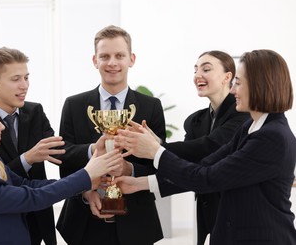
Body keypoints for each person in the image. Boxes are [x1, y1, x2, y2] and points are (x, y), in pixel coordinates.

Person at [114, 49, 296, 244]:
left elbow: (207, 178)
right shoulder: (250, 127)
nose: (233, 90)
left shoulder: (271, 137)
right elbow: (204, 166)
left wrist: (156, 150)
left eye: (239, 83)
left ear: (260, 85)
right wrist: (140, 183)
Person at [0, 94, 122, 245]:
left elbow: (27, 185)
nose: (2, 126)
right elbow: (31, 198)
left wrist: (84, 187)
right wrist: (86, 174)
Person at [56, 25, 166, 245]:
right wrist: (87, 191)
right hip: (84, 220)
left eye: (119, 55)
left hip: (137, 221)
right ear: (95, 61)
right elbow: (64, 157)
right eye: (104, 56)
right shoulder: (74, 105)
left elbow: (161, 163)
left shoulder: (151, 106)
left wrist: (130, 169)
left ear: (131, 59)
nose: (112, 62)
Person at [152, 50, 249, 245]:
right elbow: (188, 164)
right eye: (195, 70)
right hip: (207, 213)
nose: (198, 75)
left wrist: (158, 147)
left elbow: (210, 147)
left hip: (237, 214)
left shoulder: (242, 115)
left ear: (227, 77)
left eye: (206, 69)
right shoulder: (195, 121)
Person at [0, 47, 62, 245]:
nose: (24, 85)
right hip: (2, 221)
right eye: (16, 79)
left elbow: (59, 150)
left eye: (26, 77)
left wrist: (92, 149)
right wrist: (27, 159)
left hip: (38, 219)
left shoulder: (35, 111)